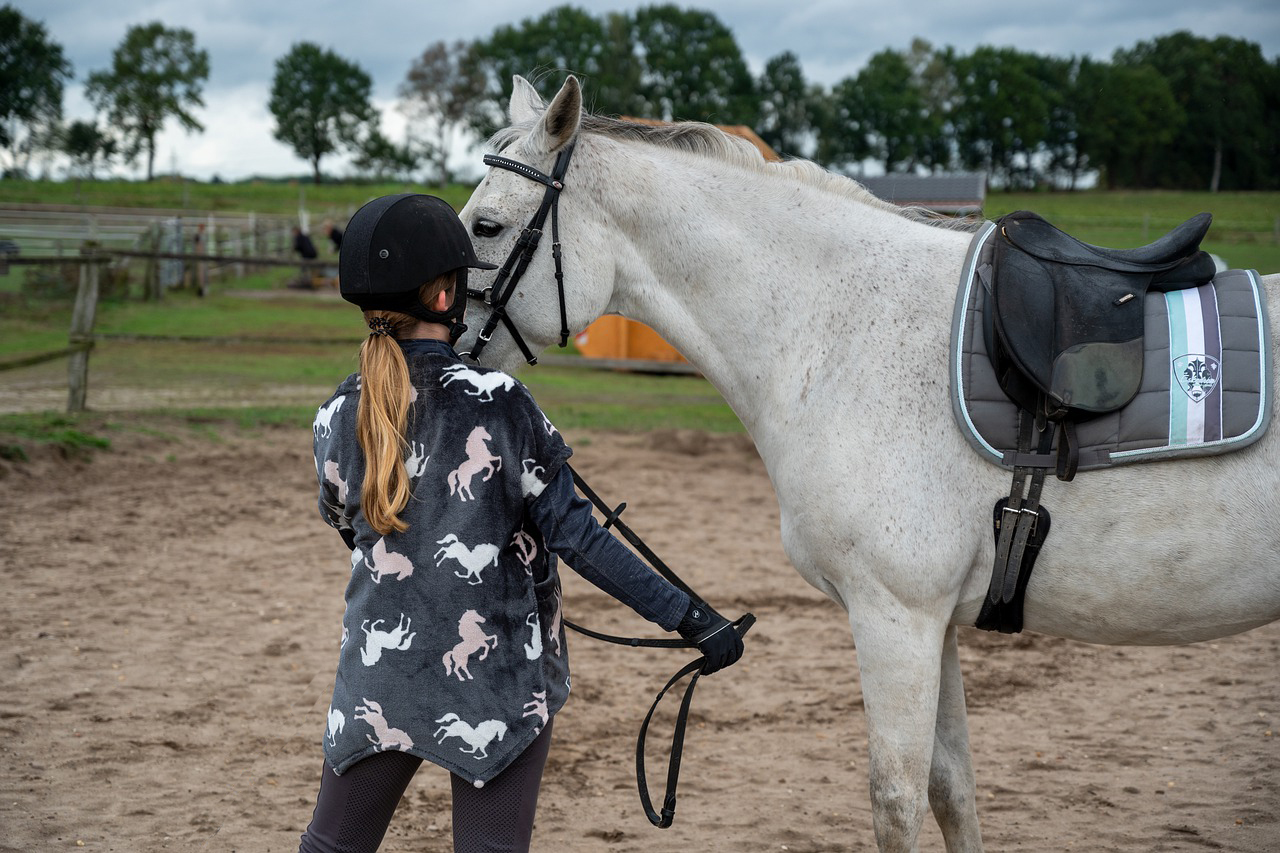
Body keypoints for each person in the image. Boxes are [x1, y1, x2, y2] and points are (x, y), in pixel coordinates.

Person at [300, 193, 743, 853]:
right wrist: (692, 618)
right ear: (447, 296)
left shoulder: (339, 413)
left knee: (331, 846)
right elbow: (581, 538)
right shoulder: (501, 403)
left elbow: (348, 523)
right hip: (496, 681)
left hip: (378, 672)